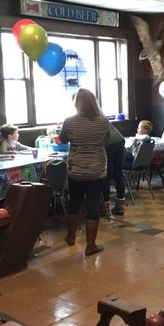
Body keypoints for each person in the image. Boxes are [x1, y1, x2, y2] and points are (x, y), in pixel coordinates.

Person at [59, 88, 109, 256]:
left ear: (76, 103)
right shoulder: (103, 121)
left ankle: (71, 237)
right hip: (97, 170)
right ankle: (90, 245)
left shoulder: (69, 121)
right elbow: (106, 139)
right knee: (93, 207)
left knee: (74, 203)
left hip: (76, 170)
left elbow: (63, 139)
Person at [103, 122, 126, 216]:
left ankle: (105, 207)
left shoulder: (86, 120)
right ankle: (120, 206)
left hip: (107, 144)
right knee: (118, 173)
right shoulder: (102, 117)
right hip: (119, 141)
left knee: (106, 175)